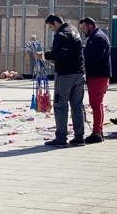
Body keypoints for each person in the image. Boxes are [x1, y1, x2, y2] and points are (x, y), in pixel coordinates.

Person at [43, 15, 85, 147]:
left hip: (65, 74)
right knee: (77, 105)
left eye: (51, 27)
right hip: (79, 73)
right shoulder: (74, 30)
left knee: (60, 105)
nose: (52, 30)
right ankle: (79, 137)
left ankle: (61, 137)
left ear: (55, 22)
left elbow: (59, 54)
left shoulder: (61, 34)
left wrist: (44, 55)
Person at [79, 17, 111, 144]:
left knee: (96, 104)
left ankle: (97, 132)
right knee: (97, 104)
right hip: (98, 75)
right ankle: (98, 130)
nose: (83, 31)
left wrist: (83, 58)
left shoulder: (98, 38)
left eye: (84, 28)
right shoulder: (96, 37)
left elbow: (95, 57)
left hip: (98, 75)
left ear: (90, 25)